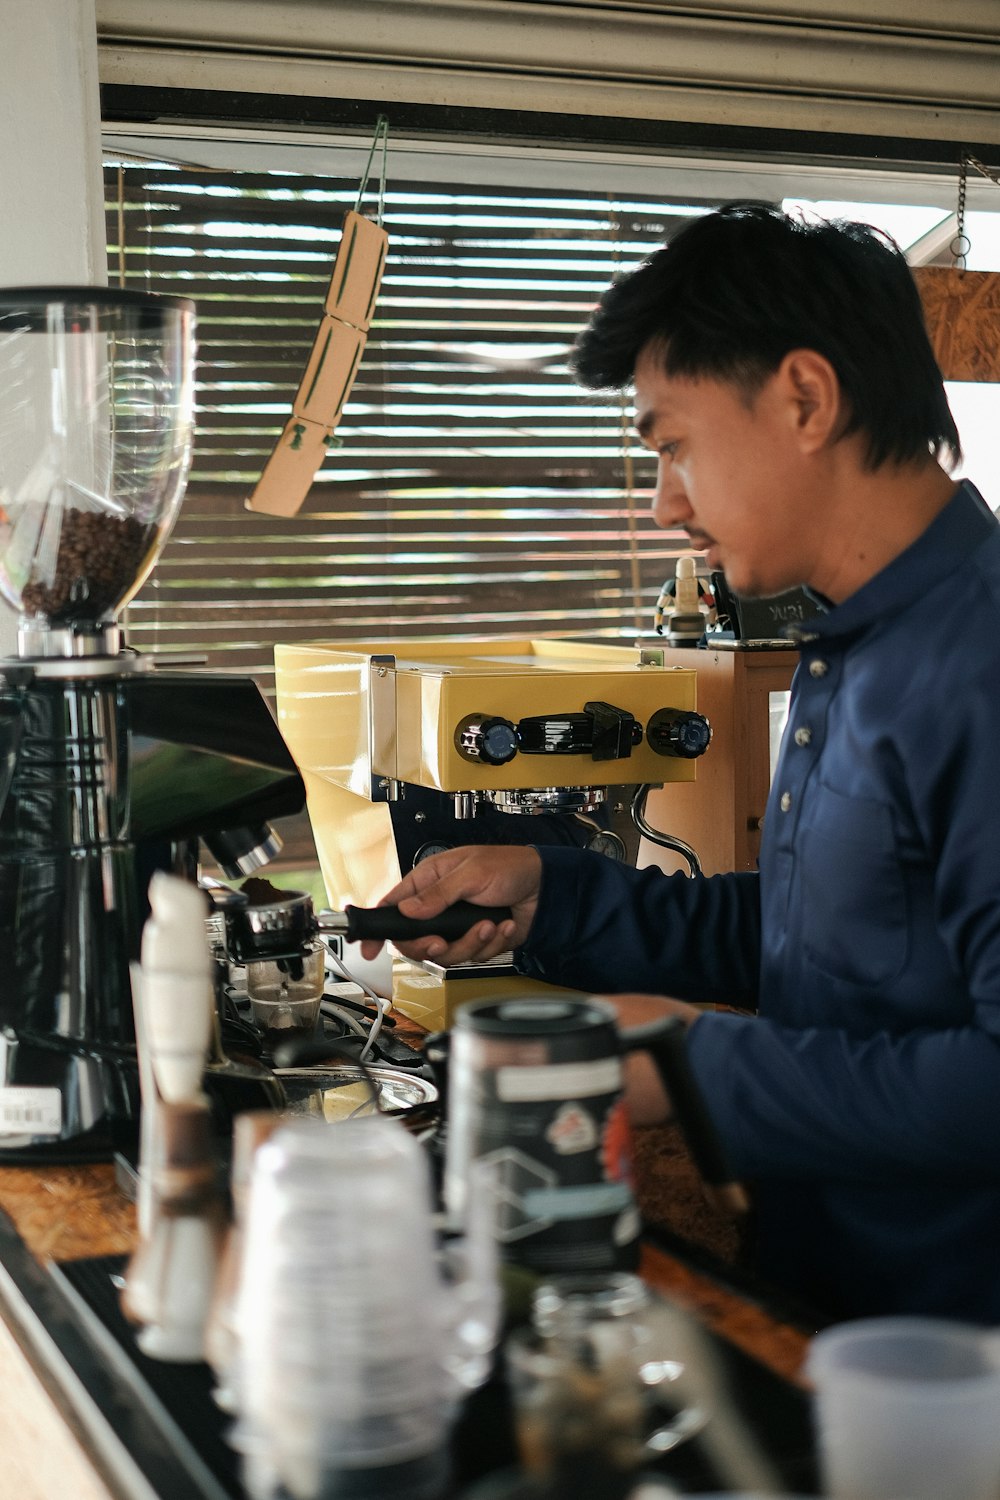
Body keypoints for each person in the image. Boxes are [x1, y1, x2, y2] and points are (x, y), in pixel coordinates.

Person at [361, 202, 1000, 1324]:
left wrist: (691, 1062)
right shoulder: (859, 639)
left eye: (672, 444)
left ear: (805, 398)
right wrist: (557, 894)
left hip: (950, 1349)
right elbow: (838, 944)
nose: (662, 503)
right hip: (830, 1301)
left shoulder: (979, 660)